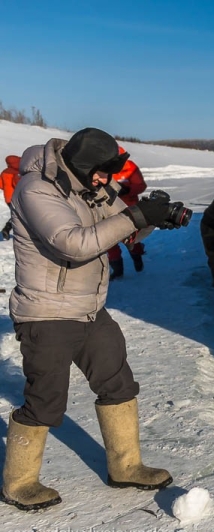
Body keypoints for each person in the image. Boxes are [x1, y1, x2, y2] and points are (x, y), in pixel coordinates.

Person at [1, 127, 182, 511]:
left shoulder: (91, 186)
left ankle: (126, 465)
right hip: (46, 313)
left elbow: (125, 224)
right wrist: (133, 217)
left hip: (90, 309)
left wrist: (153, 215)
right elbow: (75, 242)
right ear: (83, 165)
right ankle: (19, 483)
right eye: (101, 172)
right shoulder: (36, 189)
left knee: (118, 382)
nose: (106, 181)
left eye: (109, 174)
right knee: (46, 401)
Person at [108, 146, 147, 278]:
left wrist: (128, 189)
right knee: (109, 241)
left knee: (131, 239)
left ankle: (137, 255)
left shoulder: (131, 167)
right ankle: (117, 270)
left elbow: (140, 185)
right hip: (108, 209)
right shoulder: (102, 168)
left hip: (128, 209)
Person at [1, 154, 20, 239]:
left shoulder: (4, 172)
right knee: (19, 215)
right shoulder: (17, 172)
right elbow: (17, 184)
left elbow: (1, 185)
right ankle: (7, 228)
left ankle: (7, 228)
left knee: (16, 214)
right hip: (17, 197)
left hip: (8, 198)